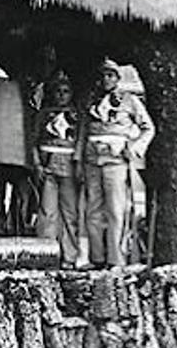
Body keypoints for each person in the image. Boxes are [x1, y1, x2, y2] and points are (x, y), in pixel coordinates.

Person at [82, 58, 154, 267]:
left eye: (110, 75)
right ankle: (97, 258)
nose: (105, 79)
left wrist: (133, 148)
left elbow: (147, 127)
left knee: (116, 210)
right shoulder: (91, 100)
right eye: (102, 75)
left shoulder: (129, 100)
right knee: (93, 210)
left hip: (116, 160)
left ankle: (116, 259)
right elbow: (84, 131)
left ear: (117, 78)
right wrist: (80, 158)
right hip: (92, 159)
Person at [31, 72, 82, 268]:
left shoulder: (76, 116)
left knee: (70, 212)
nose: (61, 96)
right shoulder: (44, 115)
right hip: (48, 165)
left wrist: (78, 166)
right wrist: (37, 165)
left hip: (68, 166)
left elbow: (79, 142)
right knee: (47, 211)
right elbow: (34, 142)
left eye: (65, 92)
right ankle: (47, 253)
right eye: (58, 92)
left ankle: (70, 256)